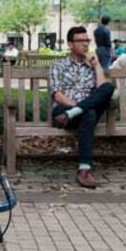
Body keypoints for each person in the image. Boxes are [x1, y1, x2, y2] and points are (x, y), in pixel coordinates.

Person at [49, 26, 115, 189]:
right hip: (63, 111)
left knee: (108, 87)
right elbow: (58, 95)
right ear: (70, 44)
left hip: (74, 113)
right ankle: (84, 170)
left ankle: (76, 113)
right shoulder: (58, 66)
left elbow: (101, 89)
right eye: (81, 41)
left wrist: (97, 65)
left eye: (87, 41)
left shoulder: (91, 66)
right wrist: (78, 106)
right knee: (90, 113)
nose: (86, 44)